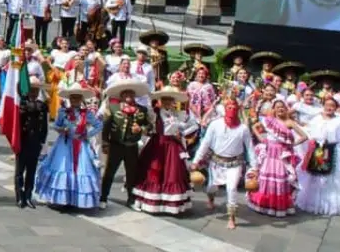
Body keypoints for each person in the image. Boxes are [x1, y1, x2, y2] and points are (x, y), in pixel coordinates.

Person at [190, 99, 258, 230]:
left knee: (231, 188)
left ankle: (231, 217)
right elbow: (205, 143)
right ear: (225, 108)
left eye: (234, 106)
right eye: (229, 106)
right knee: (211, 187)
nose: (231, 108)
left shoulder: (243, 128)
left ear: (238, 109)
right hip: (216, 163)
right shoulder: (215, 124)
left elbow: (250, 148)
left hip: (235, 163)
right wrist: (195, 161)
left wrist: (254, 168)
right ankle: (211, 199)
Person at [34, 87, 102, 209]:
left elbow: (99, 125)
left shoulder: (86, 113)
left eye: (77, 97)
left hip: (81, 146)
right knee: (63, 167)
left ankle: (76, 200)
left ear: (81, 99)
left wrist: (86, 135)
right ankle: (61, 199)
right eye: (73, 97)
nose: (75, 100)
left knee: (81, 170)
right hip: (64, 144)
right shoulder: (63, 112)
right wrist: (61, 130)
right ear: (70, 99)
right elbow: (56, 125)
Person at [133, 86, 197, 215]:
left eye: (170, 99)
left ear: (173, 101)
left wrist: (182, 133)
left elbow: (194, 125)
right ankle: (152, 203)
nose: (167, 102)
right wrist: (142, 130)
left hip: (172, 145)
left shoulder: (178, 113)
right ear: (160, 100)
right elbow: (148, 126)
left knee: (173, 173)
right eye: (165, 99)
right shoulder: (154, 113)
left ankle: (170, 204)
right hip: (157, 144)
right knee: (154, 172)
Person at [248, 99, 308, 217]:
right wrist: (262, 139)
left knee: (281, 178)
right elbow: (255, 127)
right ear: (274, 109)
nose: (280, 109)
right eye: (277, 107)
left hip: (281, 155)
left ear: (285, 109)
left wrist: (292, 144)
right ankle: (264, 204)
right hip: (269, 153)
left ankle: (277, 206)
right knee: (265, 177)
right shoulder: (269, 121)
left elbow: (304, 136)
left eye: (282, 107)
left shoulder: (289, 122)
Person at [99, 82, 150, 209]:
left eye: (131, 93)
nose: (129, 95)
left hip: (132, 146)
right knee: (110, 173)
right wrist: (105, 143)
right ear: (121, 96)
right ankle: (103, 197)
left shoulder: (142, 110)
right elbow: (106, 127)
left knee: (132, 173)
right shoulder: (113, 107)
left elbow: (150, 126)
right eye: (126, 93)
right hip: (116, 145)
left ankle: (131, 199)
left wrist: (141, 128)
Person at [14, 77, 50, 208]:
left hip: (35, 142)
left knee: (31, 171)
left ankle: (28, 196)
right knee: (19, 171)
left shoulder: (42, 105)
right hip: (23, 141)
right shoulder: (22, 104)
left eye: (36, 90)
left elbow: (44, 126)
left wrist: (42, 141)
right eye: (31, 90)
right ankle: (19, 195)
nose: (34, 93)